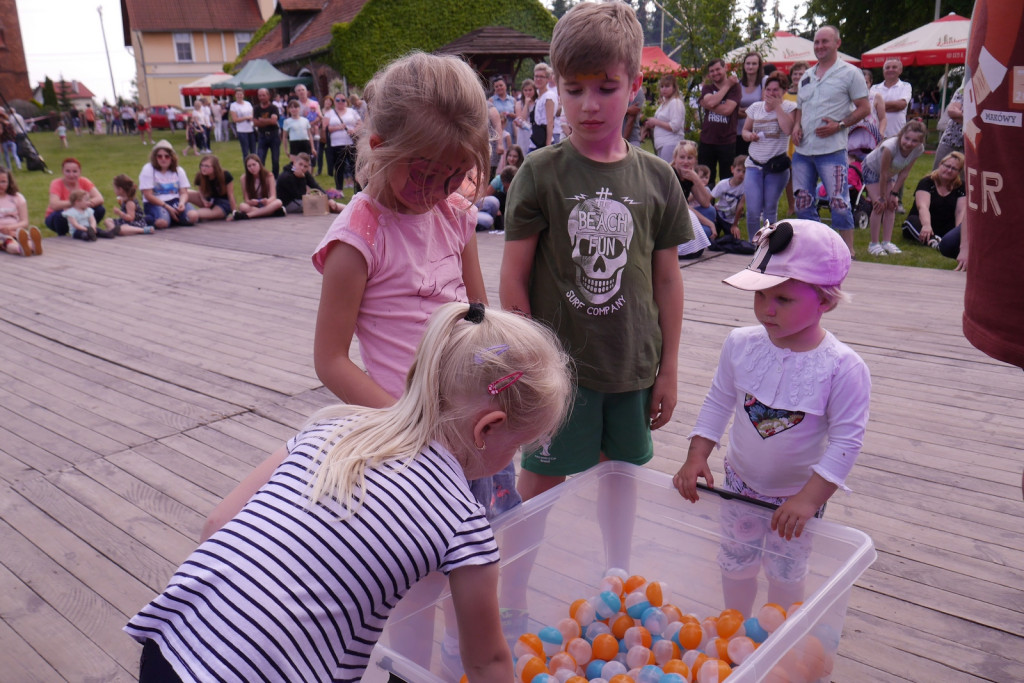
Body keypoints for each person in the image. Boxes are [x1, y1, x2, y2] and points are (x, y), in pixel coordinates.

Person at [125, 301, 572, 683]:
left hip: (174, 641)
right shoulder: (463, 520)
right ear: (487, 429)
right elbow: (488, 661)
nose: (511, 461)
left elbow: (217, 525)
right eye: (516, 447)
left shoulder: (333, 428)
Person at [501, 1, 692, 506]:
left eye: (606, 88)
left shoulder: (659, 178)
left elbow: (668, 280)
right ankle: (515, 585)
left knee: (620, 486)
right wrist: (528, 367)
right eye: (574, 89)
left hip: (632, 369)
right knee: (541, 483)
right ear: (556, 90)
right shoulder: (540, 174)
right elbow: (514, 279)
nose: (589, 104)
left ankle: (615, 574)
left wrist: (668, 368)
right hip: (559, 374)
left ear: (634, 88)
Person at [673, 219, 871, 616]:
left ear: (826, 302)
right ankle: (737, 631)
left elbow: (846, 442)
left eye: (784, 299)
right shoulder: (741, 344)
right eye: (761, 295)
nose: (767, 308)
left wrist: (807, 500)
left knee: (785, 572)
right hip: (739, 486)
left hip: (795, 498)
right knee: (736, 563)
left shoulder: (842, 368)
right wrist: (697, 454)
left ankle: (776, 639)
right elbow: (718, 401)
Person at [791, 25, 870, 256]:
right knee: (803, 203)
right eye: (816, 42)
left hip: (831, 150)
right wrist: (796, 125)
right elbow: (799, 108)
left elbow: (864, 108)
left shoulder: (850, 73)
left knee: (839, 203)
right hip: (803, 151)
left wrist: (840, 125)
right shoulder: (806, 75)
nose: (820, 46)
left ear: (838, 43)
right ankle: (816, 248)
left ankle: (847, 250)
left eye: (825, 41)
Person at [861, 119, 926, 256]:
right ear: (901, 135)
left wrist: (894, 194)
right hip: (873, 170)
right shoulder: (889, 147)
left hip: (892, 172)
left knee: (891, 205)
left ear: (920, 142)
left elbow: (905, 172)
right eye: (907, 138)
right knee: (879, 205)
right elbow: (883, 174)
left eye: (914, 141)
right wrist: (883, 197)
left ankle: (886, 242)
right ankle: (873, 244)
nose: (909, 143)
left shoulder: (918, 150)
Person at [742, 74, 796, 235]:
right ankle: (754, 244)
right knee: (752, 210)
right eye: (768, 90)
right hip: (754, 163)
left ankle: (769, 244)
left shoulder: (789, 107)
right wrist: (749, 136)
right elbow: (745, 130)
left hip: (776, 165)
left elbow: (788, 130)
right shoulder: (755, 107)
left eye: (775, 90)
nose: (771, 94)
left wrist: (777, 107)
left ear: (784, 91)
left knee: (770, 208)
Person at [902, 151, 965, 261]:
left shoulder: (961, 187)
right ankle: (932, 241)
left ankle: (942, 239)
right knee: (912, 221)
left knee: (962, 228)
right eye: (947, 166)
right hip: (923, 221)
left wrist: (957, 234)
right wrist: (926, 225)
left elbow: (960, 212)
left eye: (954, 169)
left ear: (959, 172)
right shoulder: (927, 182)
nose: (949, 170)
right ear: (940, 164)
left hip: (946, 225)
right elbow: (923, 206)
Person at [698, 58, 743, 185]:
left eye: (718, 69)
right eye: (712, 71)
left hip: (727, 141)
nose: (715, 73)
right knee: (704, 178)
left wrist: (708, 105)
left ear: (725, 68)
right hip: (707, 139)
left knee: (727, 179)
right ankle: (706, 204)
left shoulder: (735, 88)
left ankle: (726, 205)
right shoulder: (707, 87)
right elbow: (711, 101)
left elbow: (727, 110)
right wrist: (727, 85)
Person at [139, 140, 199, 228]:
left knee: (193, 216)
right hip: (156, 202)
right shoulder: (148, 169)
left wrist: (182, 203)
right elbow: (148, 195)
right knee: (162, 223)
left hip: (175, 200)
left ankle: (173, 218)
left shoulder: (178, 170)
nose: (163, 159)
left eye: (167, 156)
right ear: (155, 157)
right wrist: (166, 207)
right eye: (159, 156)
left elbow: (183, 192)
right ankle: (146, 220)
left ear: (172, 158)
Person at [45, 158, 106, 236]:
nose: (71, 175)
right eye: (67, 171)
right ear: (62, 171)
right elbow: (54, 205)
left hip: (81, 214)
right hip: (59, 217)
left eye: (75, 171)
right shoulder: (56, 183)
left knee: (100, 209)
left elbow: (100, 198)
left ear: (80, 172)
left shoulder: (84, 181)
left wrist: (86, 204)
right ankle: (61, 236)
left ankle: (89, 230)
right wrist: (76, 204)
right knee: (59, 215)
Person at [672, 140, 716, 238]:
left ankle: (693, 237)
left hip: (684, 214)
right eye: (682, 157)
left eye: (690, 158)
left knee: (710, 211)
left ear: (695, 161)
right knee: (706, 231)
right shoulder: (671, 174)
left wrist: (697, 179)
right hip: (671, 218)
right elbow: (682, 206)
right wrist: (709, 223)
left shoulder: (689, 175)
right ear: (675, 158)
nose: (686, 161)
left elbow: (706, 203)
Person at [643, 74, 686, 163]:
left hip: (670, 142)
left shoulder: (675, 102)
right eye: (662, 86)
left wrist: (656, 122)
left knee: (666, 171)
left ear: (674, 88)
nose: (664, 89)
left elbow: (675, 126)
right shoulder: (663, 104)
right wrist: (651, 124)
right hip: (661, 143)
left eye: (667, 86)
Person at [0, 167, 41, 256]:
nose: (0, 185)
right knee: (8, 242)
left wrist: (10, 228)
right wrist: (4, 230)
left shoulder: (17, 197)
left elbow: (25, 222)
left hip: (15, 229)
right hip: (1, 233)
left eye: (3, 181)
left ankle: (33, 246)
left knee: (24, 237)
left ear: (9, 182)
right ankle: (20, 249)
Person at [325, 92, 361, 191]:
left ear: (346, 101)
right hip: (336, 144)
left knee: (354, 167)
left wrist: (354, 130)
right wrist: (338, 128)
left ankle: (358, 189)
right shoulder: (330, 113)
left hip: (350, 143)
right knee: (339, 167)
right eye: (337, 100)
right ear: (334, 101)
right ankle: (339, 189)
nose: (340, 102)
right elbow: (326, 128)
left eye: (343, 100)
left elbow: (360, 123)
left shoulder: (352, 111)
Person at [232, 154, 285, 219]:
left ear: (259, 164)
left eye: (254, 165)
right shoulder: (244, 178)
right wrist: (251, 202)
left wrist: (267, 201)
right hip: (254, 206)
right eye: (249, 166)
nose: (252, 168)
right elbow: (246, 199)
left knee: (278, 202)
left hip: (266, 204)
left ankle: (248, 215)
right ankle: (270, 213)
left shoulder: (269, 175)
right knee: (242, 206)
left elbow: (273, 196)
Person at [870, 58, 912, 140]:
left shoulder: (905, 86)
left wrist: (879, 106)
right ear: (883, 71)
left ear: (900, 70)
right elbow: (869, 108)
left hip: (897, 134)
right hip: (877, 134)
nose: (890, 70)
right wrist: (892, 106)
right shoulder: (874, 88)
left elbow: (901, 105)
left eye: (894, 67)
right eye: (887, 67)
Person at [188, 154, 236, 222]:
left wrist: (234, 213)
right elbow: (201, 192)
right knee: (185, 193)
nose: (203, 168)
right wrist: (204, 201)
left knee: (193, 214)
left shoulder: (225, 175)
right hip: (209, 200)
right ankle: (176, 211)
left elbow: (231, 195)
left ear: (215, 167)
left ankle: (194, 214)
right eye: (202, 165)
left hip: (223, 204)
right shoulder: (200, 176)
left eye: (207, 166)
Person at [711, 155, 748, 238]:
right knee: (711, 237)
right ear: (732, 169)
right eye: (738, 170)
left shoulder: (745, 187)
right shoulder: (722, 184)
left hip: (730, 219)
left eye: (744, 172)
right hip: (718, 214)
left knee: (734, 238)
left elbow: (740, 206)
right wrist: (711, 215)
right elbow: (710, 198)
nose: (741, 174)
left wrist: (735, 225)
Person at [735, 52, 764, 157]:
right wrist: (753, 111)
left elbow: (764, 108)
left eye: (754, 63)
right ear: (744, 65)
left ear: (759, 66)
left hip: (758, 132)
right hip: (739, 131)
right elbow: (734, 110)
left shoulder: (764, 82)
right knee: (741, 164)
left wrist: (744, 111)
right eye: (748, 63)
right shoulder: (738, 84)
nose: (750, 66)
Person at [932, 85, 964, 171]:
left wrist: (961, 116)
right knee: (937, 171)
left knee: (963, 178)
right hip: (950, 138)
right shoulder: (962, 90)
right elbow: (951, 112)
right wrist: (970, 117)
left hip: (970, 143)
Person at [252, 88, 281, 177]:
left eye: (264, 95)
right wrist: (267, 120)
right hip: (262, 136)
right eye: (260, 95)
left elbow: (274, 121)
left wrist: (261, 120)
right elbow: (255, 123)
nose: (261, 97)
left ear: (268, 96)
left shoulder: (273, 108)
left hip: (274, 136)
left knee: (275, 159)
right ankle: (261, 177)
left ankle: (275, 178)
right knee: (260, 158)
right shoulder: (256, 108)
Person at [531, 63, 558, 151]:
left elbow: (550, 122)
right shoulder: (539, 96)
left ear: (547, 79)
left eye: (541, 77)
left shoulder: (548, 96)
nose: (538, 79)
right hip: (536, 139)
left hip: (544, 140)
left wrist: (548, 145)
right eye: (536, 76)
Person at [230, 88, 256, 161]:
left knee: (254, 151)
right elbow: (235, 119)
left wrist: (251, 118)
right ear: (235, 95)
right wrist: (245, 118)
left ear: (243, 95)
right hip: (242, 130)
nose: (239, 96)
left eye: (241, 94)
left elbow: (252, 114)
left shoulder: (248, 104)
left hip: (250, 129)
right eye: (238, 94)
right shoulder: (233, 105)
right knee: (245, 152)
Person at [514, 78, 537, 153]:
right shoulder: (519, 103)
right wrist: (526, 104)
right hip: (524, 132)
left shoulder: (538, 101)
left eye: (530, 90)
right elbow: (522, 119)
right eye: (525, 90)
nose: (528, 92)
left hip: (535, 131)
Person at [490, 75, 516, 140]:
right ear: (494, 88)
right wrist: (498, 116)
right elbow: (488, 117)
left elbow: (518, 116)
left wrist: (511, 115)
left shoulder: (513, 100)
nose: (499, 88)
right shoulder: (491, 101)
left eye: (501, 85)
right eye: (496, 86)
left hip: (511, 130)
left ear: (505, 86)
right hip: (498, 132)